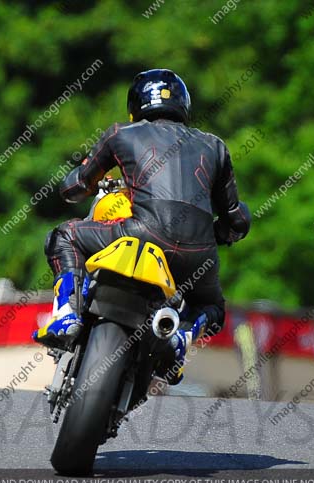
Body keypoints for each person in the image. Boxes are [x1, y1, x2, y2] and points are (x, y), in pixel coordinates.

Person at [32, 68, 250, 384]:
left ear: (135, 106)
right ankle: (180, 339)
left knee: (63, 236)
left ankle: (67, 313)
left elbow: (75, 188)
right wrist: (216, 235)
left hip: (141, 232)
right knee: (212, 307)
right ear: (183, 106)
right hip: (198, 256)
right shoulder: (215, 146)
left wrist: (78, 181)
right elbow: (236, 219)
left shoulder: (121, 134)